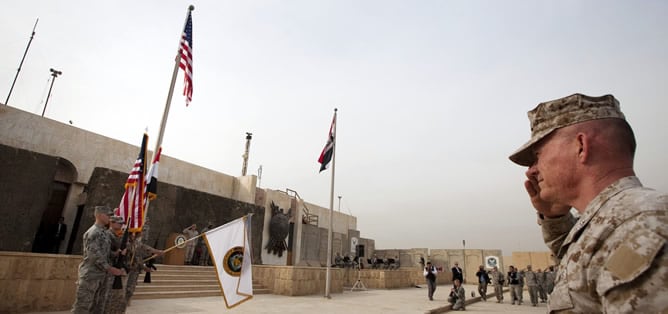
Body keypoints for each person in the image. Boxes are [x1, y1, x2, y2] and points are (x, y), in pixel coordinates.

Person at [509, 93, 668, 312]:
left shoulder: (642, 228)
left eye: (538, 155)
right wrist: (555, 219)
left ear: (581, 146)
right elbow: (584, 266)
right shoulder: (616, 225)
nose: (532, 170)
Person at [71, 206, 125, 314]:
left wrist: (116, 253)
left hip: (100, 275)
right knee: (82, 307)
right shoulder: (93, 232)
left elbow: (105, 252)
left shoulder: (103, 233)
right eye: (108, 215)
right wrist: (110, 268)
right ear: (99, 215)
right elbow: (94, 255)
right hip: (90, 275)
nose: (110, 218)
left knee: (95, 306)